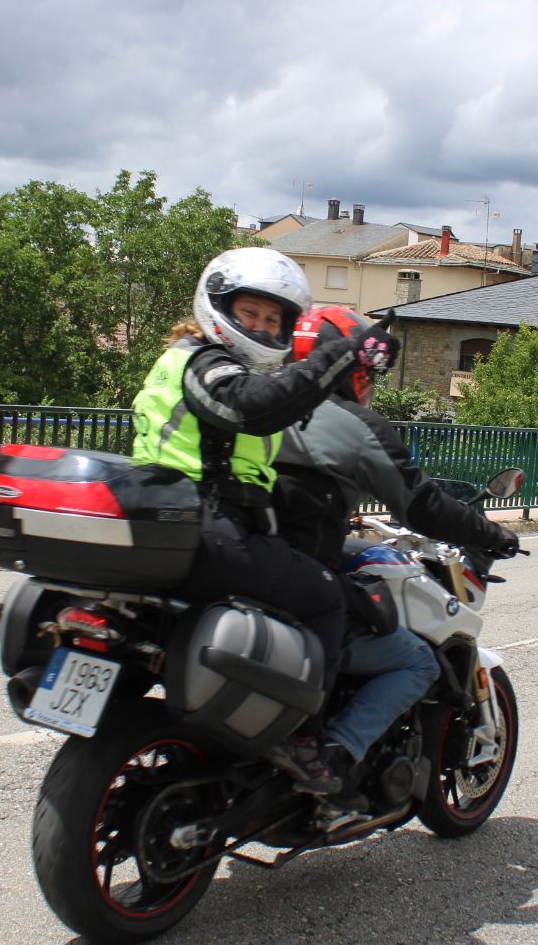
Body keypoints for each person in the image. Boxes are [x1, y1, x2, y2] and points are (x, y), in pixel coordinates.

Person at [273, 305, 521, 796]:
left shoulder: (258, 405)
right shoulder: (353, 424)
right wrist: (492, 535)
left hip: (243, 560)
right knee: (416, 662)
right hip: (296, 587)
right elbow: (422, 506)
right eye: (365, 371)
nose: (368, 382)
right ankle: (337, 755)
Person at [131, 247, 399, 688]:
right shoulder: (209, 364)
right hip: (209, 522)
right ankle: (303, 739)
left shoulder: (179, 356)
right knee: (325, 597)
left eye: (272, 320)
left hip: (166, 509)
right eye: (249, 311)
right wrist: (346, 355)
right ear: (218, 305)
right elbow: (253, 408)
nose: (259, 325)